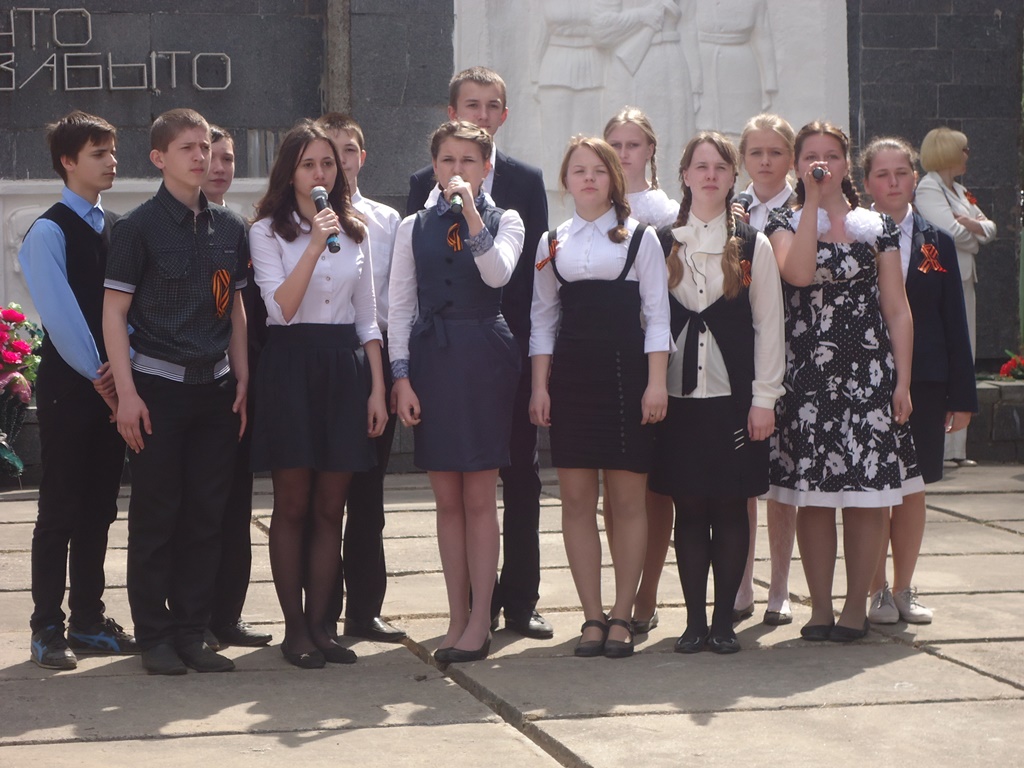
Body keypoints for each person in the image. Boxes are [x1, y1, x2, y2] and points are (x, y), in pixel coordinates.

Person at [407, 66, 553, 640]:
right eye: (472, 105)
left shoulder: (524, 183)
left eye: (493, 106)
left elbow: (530, 275)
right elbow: (415, 277)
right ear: (452, 113)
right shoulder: (424, 184)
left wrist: (530, 358)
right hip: (444, 349)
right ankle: (470, 609)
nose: (483, 114)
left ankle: (520, 600)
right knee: (456, 489)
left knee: (519, 477)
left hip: (501, 346)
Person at [103, 108, 249, 675]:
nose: (201, 156)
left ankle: (192, 631)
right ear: (159, 157)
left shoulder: (230, 227)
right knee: (156, 516)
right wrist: (127, 395)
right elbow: (114, 315)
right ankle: (154, 636)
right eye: (187, 147)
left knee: (206, 517)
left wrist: (243, 378)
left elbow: (235, 309)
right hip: (156, 392)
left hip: (216, 392)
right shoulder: (136, 228)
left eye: (206, 146)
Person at [764, 121, 923, 643]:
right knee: (811, 495)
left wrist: (901, 381)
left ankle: (857, 606)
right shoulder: (783, 221)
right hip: (807, 378)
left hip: (868, 375)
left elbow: (897, 308)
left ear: (845, 163)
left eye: (831, 156)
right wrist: (812, 202)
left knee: (867, 495)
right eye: (811, 156)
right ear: (797, 165)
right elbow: (798, 274)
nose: (822, 164)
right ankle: (820, 608)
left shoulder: (876, 226)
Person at [248, 120, 386, 669]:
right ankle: (295, 629)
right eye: (308, 164)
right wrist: (310, 245)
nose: (320, 173)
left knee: (332, 508)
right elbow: (280, 308)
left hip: (344, 368)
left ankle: (324, 626)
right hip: (290, 364)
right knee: (293, 505)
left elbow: (368, 318)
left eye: (327, 163)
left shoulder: (356, 230)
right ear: (290, 172)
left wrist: (377, 389)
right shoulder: (266, 232)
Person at [530, 136, 670, 659]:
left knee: (628, 502)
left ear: (613, 178)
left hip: (627, 377)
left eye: (598, 170)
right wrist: (540, 386)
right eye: (578, 170)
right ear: (566, 181)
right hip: (571, 380)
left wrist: (656, 383)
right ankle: (591, 616)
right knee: (575, 502)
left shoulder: (641, 238)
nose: (588, 178)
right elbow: (542, 320)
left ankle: (623, 614)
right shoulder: (551, 243)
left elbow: (657, 316)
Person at [391, 120, 525, 664]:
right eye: (448, 160)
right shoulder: (412, 226)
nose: (457, 169)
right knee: (446, 498)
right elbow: (400, 305)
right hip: (433, 357)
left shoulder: (505, 218)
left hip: (484, 355)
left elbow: (497, 275)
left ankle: (480, 619)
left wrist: (470, 211)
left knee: (479, 497)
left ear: (486, 168)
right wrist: (401, 376)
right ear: (434, 166)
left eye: (468, 160)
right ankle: (454, 616)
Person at [651, 132, 784, 654]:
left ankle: (725, 621)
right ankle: (693, 622)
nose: (710, 175)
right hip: (677, 401)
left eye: (720, 167)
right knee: (688, 511)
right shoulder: (661, 241)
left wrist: (764, 400)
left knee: (730, 507)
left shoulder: (753, 244)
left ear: (733, 178)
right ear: (684, 175)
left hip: (734, 401)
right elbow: (648, 319)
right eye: (700, 166)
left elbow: (768, 326)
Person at [19, 110, 136, 670]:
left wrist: (121, 375)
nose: (112, 161)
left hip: (112, 386)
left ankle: (89, 621)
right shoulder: (48, 230)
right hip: (72, 389)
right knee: (60, 509)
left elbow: (128, 307)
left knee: (100, 508)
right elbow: (61, 316)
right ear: (67, 161)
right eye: (99, 153)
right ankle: (46, 628)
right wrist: (103, 375)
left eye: (112, 151)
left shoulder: (116, 226)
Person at [860, 136, 976, 625]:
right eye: (882, 175)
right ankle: (875, 591)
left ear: (914, 177)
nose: (893, 183)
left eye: (901, 173)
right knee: (869, 490)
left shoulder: (937, 242)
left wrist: (962, 396)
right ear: (867, 183)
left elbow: (954, 323)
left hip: (925, 381)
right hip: (862, 379)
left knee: (912, 487)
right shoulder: (851, 236)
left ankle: (904, 588)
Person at [317, 112, 406, 643]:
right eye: (328, 153)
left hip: (377, 358)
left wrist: (397, 372)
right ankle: (320, 611)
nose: (339, 162)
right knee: (322, 496)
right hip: (322, 359)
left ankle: (365, 610)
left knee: (368, 495)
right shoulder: (298, 218)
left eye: (347, 151)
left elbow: (399, 299)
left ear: (362, 157)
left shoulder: (387, 220)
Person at [601, 106, 677, 634]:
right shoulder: (594, 208)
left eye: (633, 144)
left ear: (650, 149)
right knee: (615, 488)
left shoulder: (668, 213)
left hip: (657, 357)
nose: (625, 154)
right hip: (607, 359)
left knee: (654, 487)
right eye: (616, 144)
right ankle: (621, 592)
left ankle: (646, 593)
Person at [201, 125, 273, 650]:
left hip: (240, 382)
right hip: (188, 383)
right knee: (195, 507)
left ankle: (228, 615)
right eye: (210, 156)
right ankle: (189, 618)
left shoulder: (243, 231)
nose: (220, 167)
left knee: (235, 503)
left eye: (227, 158)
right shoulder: (157, 228)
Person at [730, 113, 797, 627]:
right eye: (756, 152)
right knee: (745, 474)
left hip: (800, 348)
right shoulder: (732, 209)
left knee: (783, 478)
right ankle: (741, 581)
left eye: (776, 152)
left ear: (791, 157)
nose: (766, 161)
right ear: (743, 159)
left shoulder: (805, 207)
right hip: (742, 351)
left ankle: (780, 584)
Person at [913, 127, 995, 468]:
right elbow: (948, 232)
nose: (967, 155)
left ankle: (957, 448)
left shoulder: (960, 190)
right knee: (949, 354)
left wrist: (972, 229)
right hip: (944, 279)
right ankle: (944, 447)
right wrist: (975, 232)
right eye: (963, 149)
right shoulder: (929, 187)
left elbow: (990, 229)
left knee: (966, 354)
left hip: (965, 278)